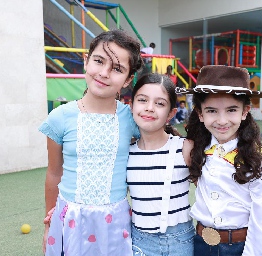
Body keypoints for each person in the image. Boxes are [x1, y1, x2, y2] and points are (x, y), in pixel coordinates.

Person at [39, 29, 143, 255]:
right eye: (99, 61)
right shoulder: (60, 117)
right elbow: (54, 173)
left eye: (117, 69)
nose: (104, 73)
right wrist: (49, 221)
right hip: (71, 219)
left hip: (115, 221)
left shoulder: (131, 118)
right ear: (86, 62)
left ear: (127, 80)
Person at [180, 65, 262, 256]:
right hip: (199, 244)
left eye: (231, 110)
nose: (222, 120)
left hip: (239, 248)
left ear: (245, 111)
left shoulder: (257, 157)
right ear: (200, 113)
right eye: (212, 111)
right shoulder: (195, 148)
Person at [127, 73, 195, 255]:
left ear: (171, 113)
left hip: (181, 242)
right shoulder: (125, 153)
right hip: (138, 242)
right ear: (131, 105)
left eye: (160, 103)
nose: (149, 108)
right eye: (142, 100)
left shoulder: (184, 148)